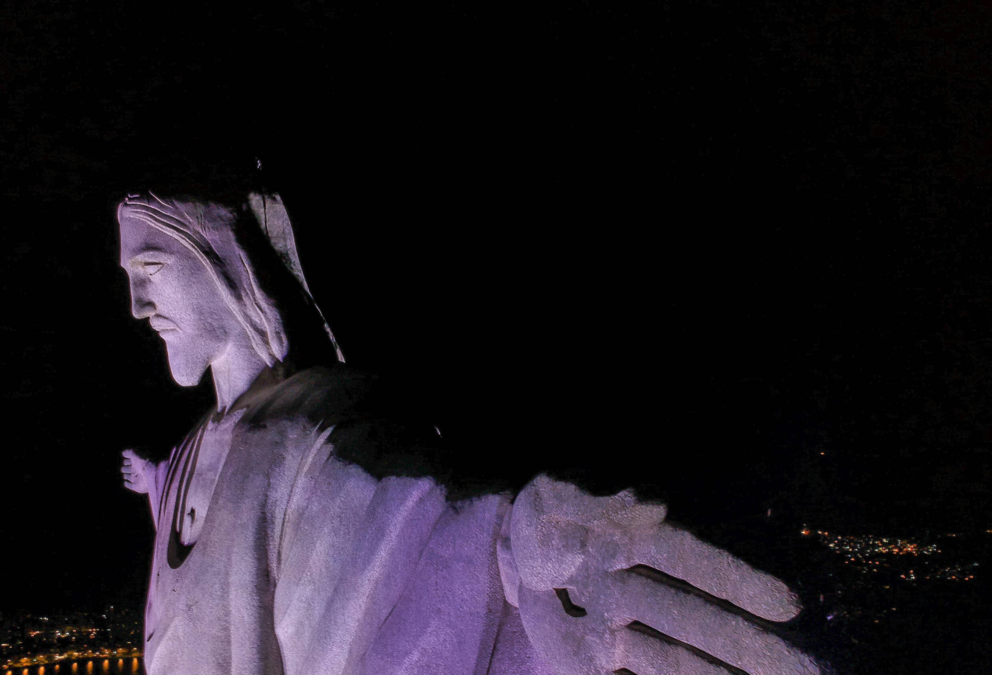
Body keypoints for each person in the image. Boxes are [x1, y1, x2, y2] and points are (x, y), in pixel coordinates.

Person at [117, 191, 821, 674]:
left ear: (224, 261)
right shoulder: (193, 449)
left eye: (152, 267)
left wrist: (509, 555)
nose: (137, 304)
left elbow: (404, 516)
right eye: (128, 275)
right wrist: (155, 482)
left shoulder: (323, 427)